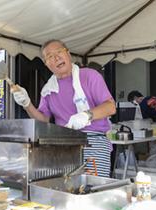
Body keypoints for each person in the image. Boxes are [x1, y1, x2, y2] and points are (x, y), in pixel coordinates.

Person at [11, 39, 116, 177]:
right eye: (50, 56)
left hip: (94, 142)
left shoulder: (89, 76)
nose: (57, 58)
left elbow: (110, 107)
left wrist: (86, 115)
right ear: (47, 64)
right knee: (67, 188)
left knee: (93, 190)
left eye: (59, 52)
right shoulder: (48, 90)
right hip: (64, 145)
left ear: (69, 54)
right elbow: (43, 121)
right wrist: (27, 104)